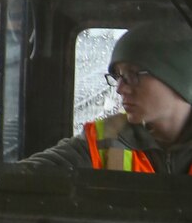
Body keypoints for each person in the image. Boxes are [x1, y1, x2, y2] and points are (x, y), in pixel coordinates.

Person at [21, 21, 192, 174]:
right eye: (118, 77)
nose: (119, 88)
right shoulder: (106, 138)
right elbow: (21, 177)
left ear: (178, 78)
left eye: (132, 75)